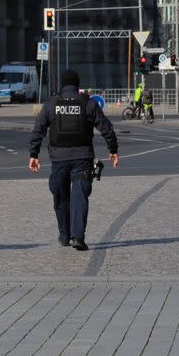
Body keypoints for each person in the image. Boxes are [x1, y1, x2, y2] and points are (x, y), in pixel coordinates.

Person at [29, 69, 119, 251]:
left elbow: (38, 130)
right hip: (82, 158)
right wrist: (113, 150)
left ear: (62, 85)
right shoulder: (88, 103)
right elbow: (106, 128)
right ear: (78, 85)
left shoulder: (51, 104)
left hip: (59, 159)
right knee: (80, 198)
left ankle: (64, 236)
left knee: (60, 197)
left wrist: (34, 154)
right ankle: (78, 237)